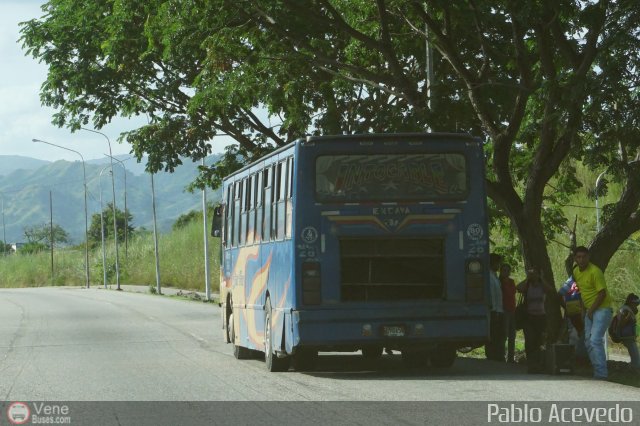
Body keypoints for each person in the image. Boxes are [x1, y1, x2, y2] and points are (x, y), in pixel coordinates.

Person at [572, 246, 613, 379]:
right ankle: (597, 371)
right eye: (579, 257)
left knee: (595, 340)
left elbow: (602, 294)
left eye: (584, 256)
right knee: (588, 342)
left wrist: (590, 311)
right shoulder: (576, 272)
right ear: (575, 259)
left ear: (588, 257)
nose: (582, 259)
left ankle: (601, 375)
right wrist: (584, 310)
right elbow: (582, 292)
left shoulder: (595, 271)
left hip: (602, 309)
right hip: (589, 310)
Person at [516, 268, 554, 373]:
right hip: (529, 317)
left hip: (541, 317)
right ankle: (531, 364)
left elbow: (550, 289)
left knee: (539, 341)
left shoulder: (542, 286)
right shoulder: (527, 285)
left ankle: (539, 364)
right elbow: (518, 288)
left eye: (536, 274)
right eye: (532, 274)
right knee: (529, 340)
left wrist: (541, 278)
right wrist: (527, 278)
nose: (534, 276)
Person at [485, 253, 504, 361]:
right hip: (494, 310)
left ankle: (498, 355)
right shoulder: (489, 276)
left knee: (499, 335)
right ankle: (492, 355)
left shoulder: (495, 276)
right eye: (498, 263)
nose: (499, 266)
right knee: (493, 334)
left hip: (499, 309)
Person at [614, 293, 639, 369]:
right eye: (636, 304)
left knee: (635, 355)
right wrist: (628, 316)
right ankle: (635, 370)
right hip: (626, 336)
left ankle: (634, 368)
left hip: (629, 336)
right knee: (635, 356)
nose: (637, 306)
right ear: (631, 303)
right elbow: (621, 323)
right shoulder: (625, 310)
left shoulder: (627, 309)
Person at [500, 264, 517, 363]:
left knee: (512, 335)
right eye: (504, 270)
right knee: (504, 334)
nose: (506, 272)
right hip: (504, 310)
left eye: (507, 270)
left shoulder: (511, 282)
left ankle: (511, 357)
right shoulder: (499, 282)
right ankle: (501, 355)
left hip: (512, 310)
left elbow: (513, 292)